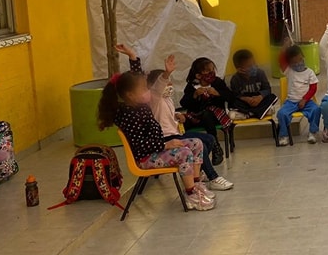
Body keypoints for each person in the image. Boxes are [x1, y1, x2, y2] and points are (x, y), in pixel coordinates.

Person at [97, 67, 215, 211]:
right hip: (146, 158)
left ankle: (196, 184)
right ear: (131, 95)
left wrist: (133, 57)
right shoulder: (129, 116)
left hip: (157, 149)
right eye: (144, 89)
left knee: (196, 143)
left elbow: (136, 76)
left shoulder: (140, 106)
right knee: (185, 153)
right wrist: (165, 145)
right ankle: (191, 195)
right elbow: (140, 146)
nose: (149, 91)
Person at [180, 58, 235, 152]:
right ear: (198, 75)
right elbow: (184, 103)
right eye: (208, 70)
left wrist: (218, 93)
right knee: (181, 122)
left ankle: (215, 146)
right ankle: (185, 149)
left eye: (212, 69)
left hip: (215, 116)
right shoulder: (192, 86)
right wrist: (195, 95)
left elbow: (231, 97)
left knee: (207, 114)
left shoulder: (217, 82)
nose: (211, 72)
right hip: (196, 117)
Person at [275, 45, 321, 145]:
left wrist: (304, 99)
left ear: (303, 57)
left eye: (300, 59)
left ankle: (313, 132)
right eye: (294, 62)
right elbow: (281, 60)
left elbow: (313, 88)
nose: (298, 63)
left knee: (316, 110)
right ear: (290, 64)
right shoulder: (288, 71)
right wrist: (284, 47)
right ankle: (284, 135)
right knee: (281, 114)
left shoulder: (310, 73)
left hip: (307, 101)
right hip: (291, 102)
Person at [228, 49, 279, 119]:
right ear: (240, 69)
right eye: (249, 66)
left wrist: (260, 97)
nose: (254, 67)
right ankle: (260, 112)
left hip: (259, 100)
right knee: (233, 102)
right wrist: (246, 99)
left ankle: (248, 114)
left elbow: (267, 89)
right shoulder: (235, 79)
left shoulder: (260, 73)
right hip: (245, 103)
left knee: (272, 97)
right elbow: (236, 95)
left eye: (254, 63)